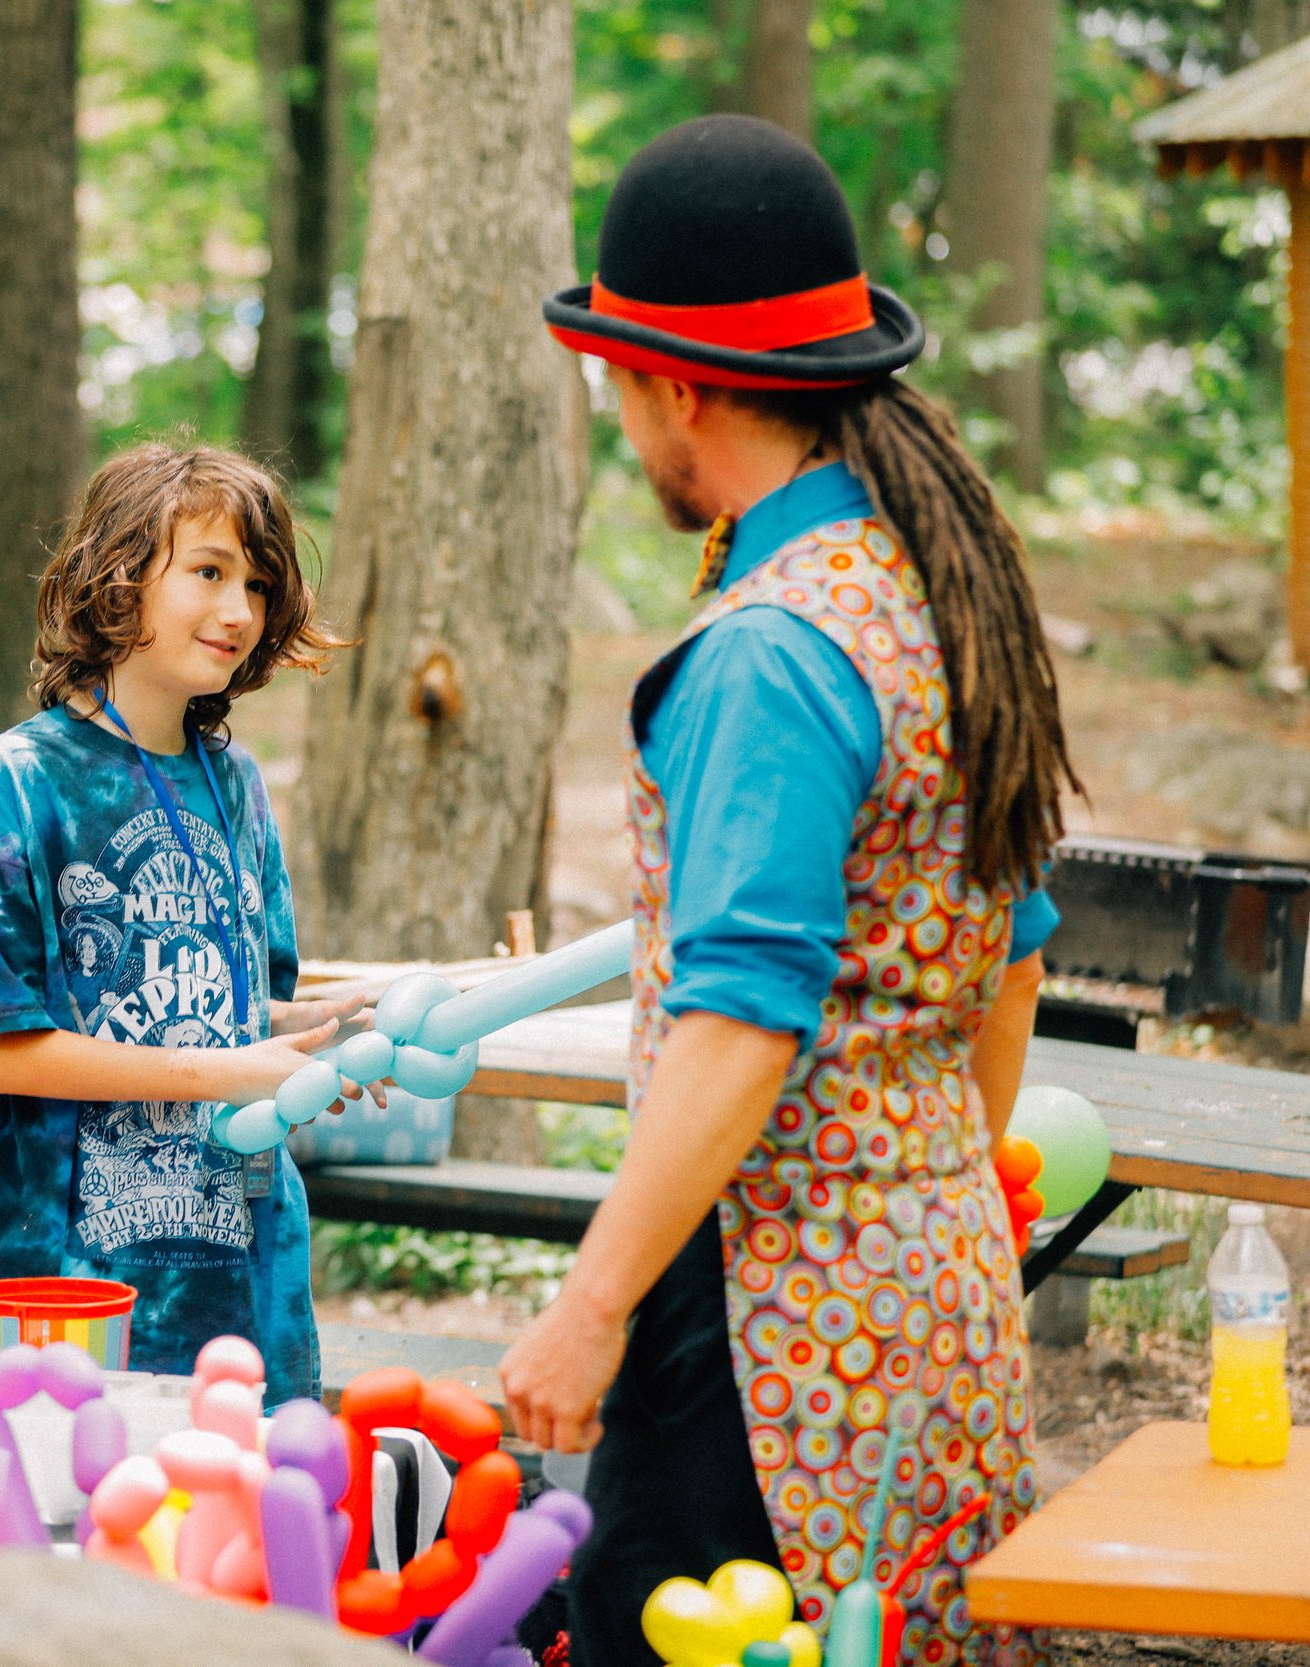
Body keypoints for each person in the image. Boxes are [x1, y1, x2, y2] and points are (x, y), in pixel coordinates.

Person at [506, 116, 1070, 1667]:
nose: (626, 425)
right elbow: (1011, 960)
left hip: (758, 1336)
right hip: (938, 1296)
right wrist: (929, 1178)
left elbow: (742, 1023)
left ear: (674, 383)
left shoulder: (769, 650)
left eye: (622, 388)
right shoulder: (936, 584)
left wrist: (592, 1305)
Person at [0, 443, 357, 1408]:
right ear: (118, 575)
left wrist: (324, 1030)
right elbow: (1, 1052)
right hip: (79, 1297)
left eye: (258, 583)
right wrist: (230, 1070)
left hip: (253, 1284)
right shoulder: (17, 781)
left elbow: (232, 1008)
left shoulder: (236, 784)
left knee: (248, 1547)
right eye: (208, 571)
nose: (241, 611)